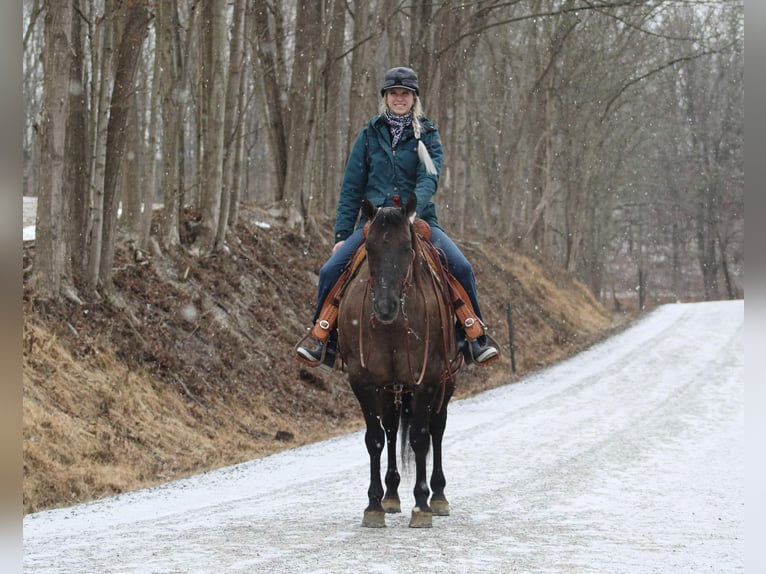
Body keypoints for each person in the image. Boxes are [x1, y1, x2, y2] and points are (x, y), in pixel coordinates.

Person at [297, 66, 498, 369]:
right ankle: (325, 341)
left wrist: (410, 209)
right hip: (375, 223)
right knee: (329, 271)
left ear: (414, 98)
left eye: (405, 93)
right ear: (386, 97)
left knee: (461, 266)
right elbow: (351, 187)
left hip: (416, 219)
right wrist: (340, 236)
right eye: (394, 93)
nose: (399, 98)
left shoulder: (428, 135)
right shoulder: (368, 135)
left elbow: (429, 178)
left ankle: (471, 337)